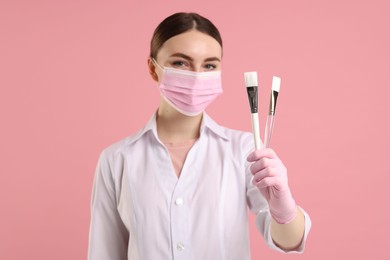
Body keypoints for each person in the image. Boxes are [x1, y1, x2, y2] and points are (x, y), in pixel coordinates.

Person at [88, 12, 311, 260]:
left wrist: (284, 209)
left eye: (209, 65)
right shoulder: (117, 160)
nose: (196, 76)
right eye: (180, 63)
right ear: (153, 68)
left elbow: (288, 241)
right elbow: (104, 253)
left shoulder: (244, 150)